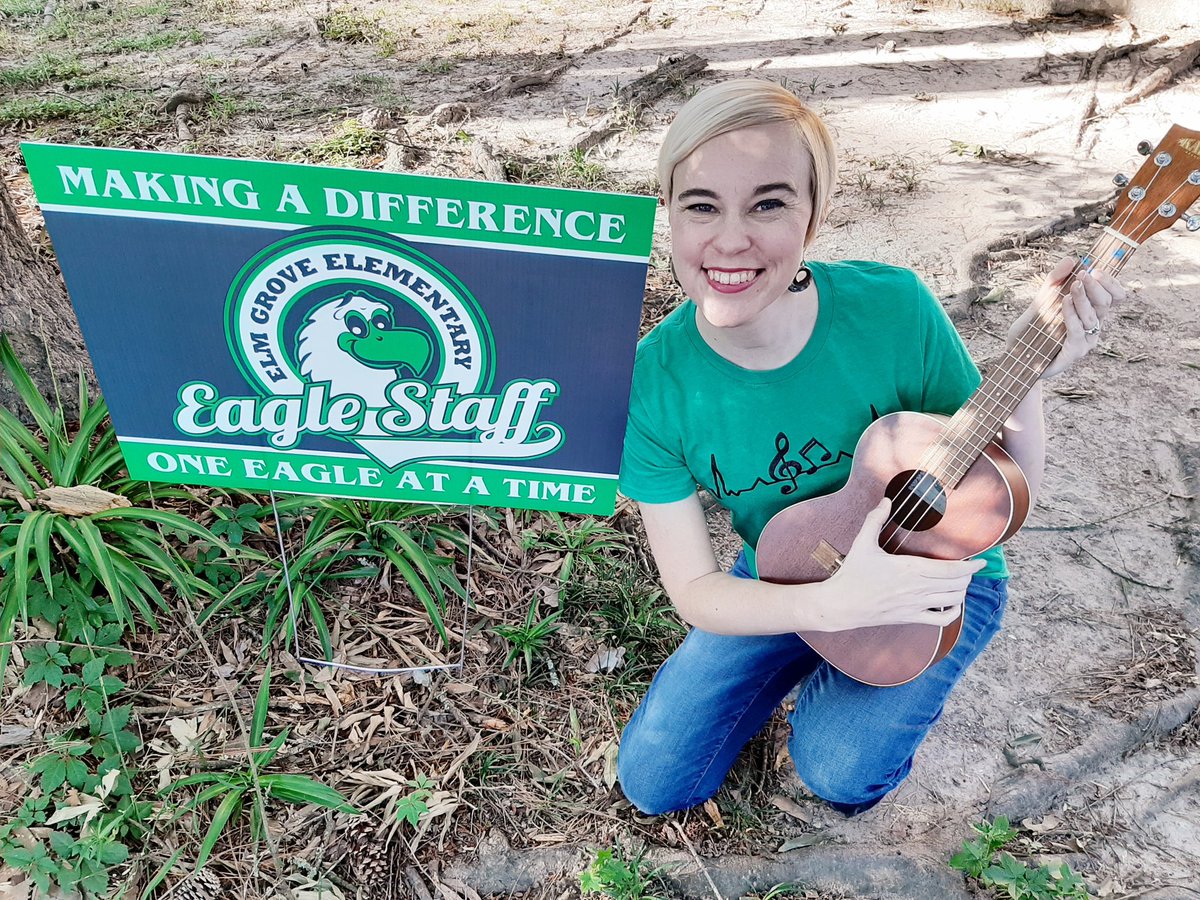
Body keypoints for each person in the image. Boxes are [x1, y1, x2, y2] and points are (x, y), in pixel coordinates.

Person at [615, 79, 1123, 817]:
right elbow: (694, 591)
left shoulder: (892, 309)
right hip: (795, 565)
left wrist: (1035, 379)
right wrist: (832, 603)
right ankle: (818, 660)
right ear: (669, 213)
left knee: (839, 773)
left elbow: (999, 497)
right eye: (701, 205)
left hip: (933, 571)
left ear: (814, 217)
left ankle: (854, 703)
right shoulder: (653, 382)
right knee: (656, 784)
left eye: (768, 203)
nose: (729, 240)